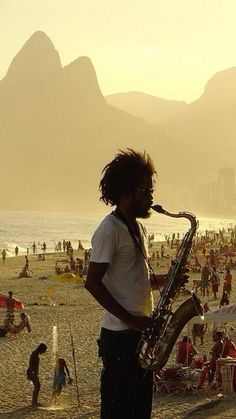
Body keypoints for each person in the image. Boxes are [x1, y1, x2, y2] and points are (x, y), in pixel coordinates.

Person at [85, 149, 169, 419]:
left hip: (140, 335)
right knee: (118, 412)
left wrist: (168, 279)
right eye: (145, 190)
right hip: (120, 339)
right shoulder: (109, 229)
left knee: (139, 410)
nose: (151, 197)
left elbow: (134, 278)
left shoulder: (139, 228)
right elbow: (92, 283)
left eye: (151, 190)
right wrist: (130, 320)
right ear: (125, 192)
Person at [27, 343, 47, 407]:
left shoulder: (36, 353)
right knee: (37, 385)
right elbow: (30, 363)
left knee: (37, 386)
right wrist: (32, 372)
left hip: (33, 372)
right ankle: (34, 402)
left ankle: (35, 401)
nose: (43, 352)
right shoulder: (34, 353)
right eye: (43, 350)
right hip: (31, 372)